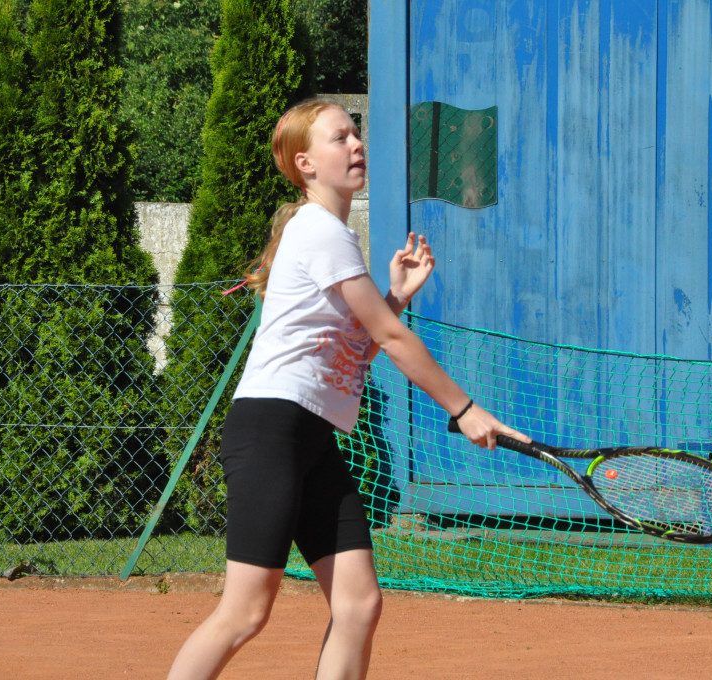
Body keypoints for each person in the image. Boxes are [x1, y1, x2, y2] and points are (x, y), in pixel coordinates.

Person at [166, 99, 529, 680]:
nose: (356, 145)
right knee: (244, 612)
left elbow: (353, 347)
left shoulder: (330, 234)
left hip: (310, 438)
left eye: (356, 135)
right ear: (305, 163)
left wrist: (396, 297)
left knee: (358, 604)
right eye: (340, 138)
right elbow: (388, 339)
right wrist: (463, 409)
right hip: (271, 432)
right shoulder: (318, 230)